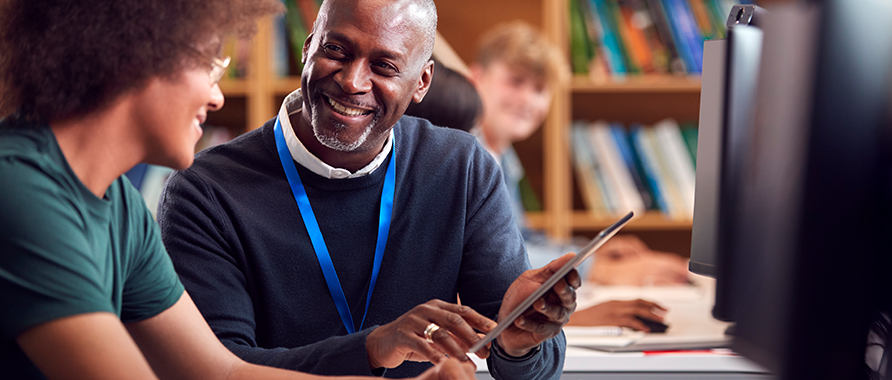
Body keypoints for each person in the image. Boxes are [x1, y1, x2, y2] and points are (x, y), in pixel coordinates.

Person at [0, 0, 474, 379]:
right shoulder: (4, 192)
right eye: (209, 61)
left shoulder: (117, 205)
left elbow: (219, 375)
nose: (216, 94)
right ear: (136, 51)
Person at [157, 0, 578, 378]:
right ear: (308, 48)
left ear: (422, 83)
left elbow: (529, 368)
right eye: (336, 50)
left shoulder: (462, 168)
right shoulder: (204, 191)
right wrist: (374, 347)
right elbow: (216, 366)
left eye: (385, 66)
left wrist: (518, 346)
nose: (353, 81)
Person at [468, 21, 689, 330]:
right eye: (516, 81)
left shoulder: (503, 156)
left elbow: (522, 238)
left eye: (539, 89)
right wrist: (596, 268)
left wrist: (585, 251)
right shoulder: (463, 156)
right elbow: (492, 257)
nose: (527, 100)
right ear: (475, 77)